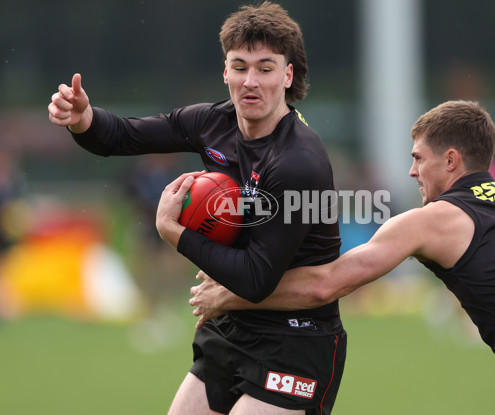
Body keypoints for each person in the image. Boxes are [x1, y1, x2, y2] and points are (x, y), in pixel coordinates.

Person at [189, 100, 495, 415]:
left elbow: (325, 284)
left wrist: (228, 295)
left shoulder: (434, 220)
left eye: (418, 158)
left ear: (451, 160)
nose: (411, 171)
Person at [47, 2, 346, 414]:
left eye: (265, 67)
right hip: (230, 326)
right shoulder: (213, 123)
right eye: (239, 67)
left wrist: (174, 232)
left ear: (287, 75)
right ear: (225, 71)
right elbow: (122, 136)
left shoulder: (297, 161)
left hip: (295, 338)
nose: (250, 81)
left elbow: (257, 278)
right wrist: (82, 119)